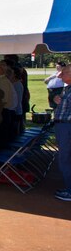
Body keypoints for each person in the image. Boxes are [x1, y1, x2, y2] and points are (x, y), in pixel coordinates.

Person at [51, 64, 71, 202]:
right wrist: (56, 99)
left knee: (65, 158)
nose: (60, 75)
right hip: (63, 126)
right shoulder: (67, 88)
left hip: (67, 127)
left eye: (64, 73)